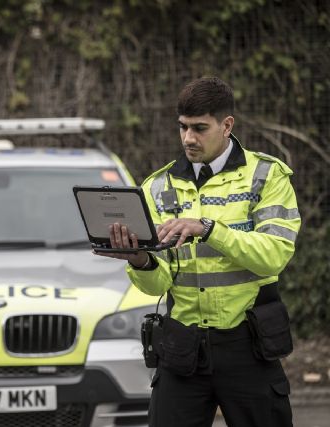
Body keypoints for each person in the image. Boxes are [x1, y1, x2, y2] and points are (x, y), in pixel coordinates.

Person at [96, 76, 300, 427]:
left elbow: (274, 254)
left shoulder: (267, 176)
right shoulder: (156, 187)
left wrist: (208, 229)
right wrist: (141, 260)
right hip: (182, 349)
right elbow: (159, 285)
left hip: (249, 347)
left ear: (227, 125)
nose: (188, 138)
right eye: (183, 127)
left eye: (199, 128)